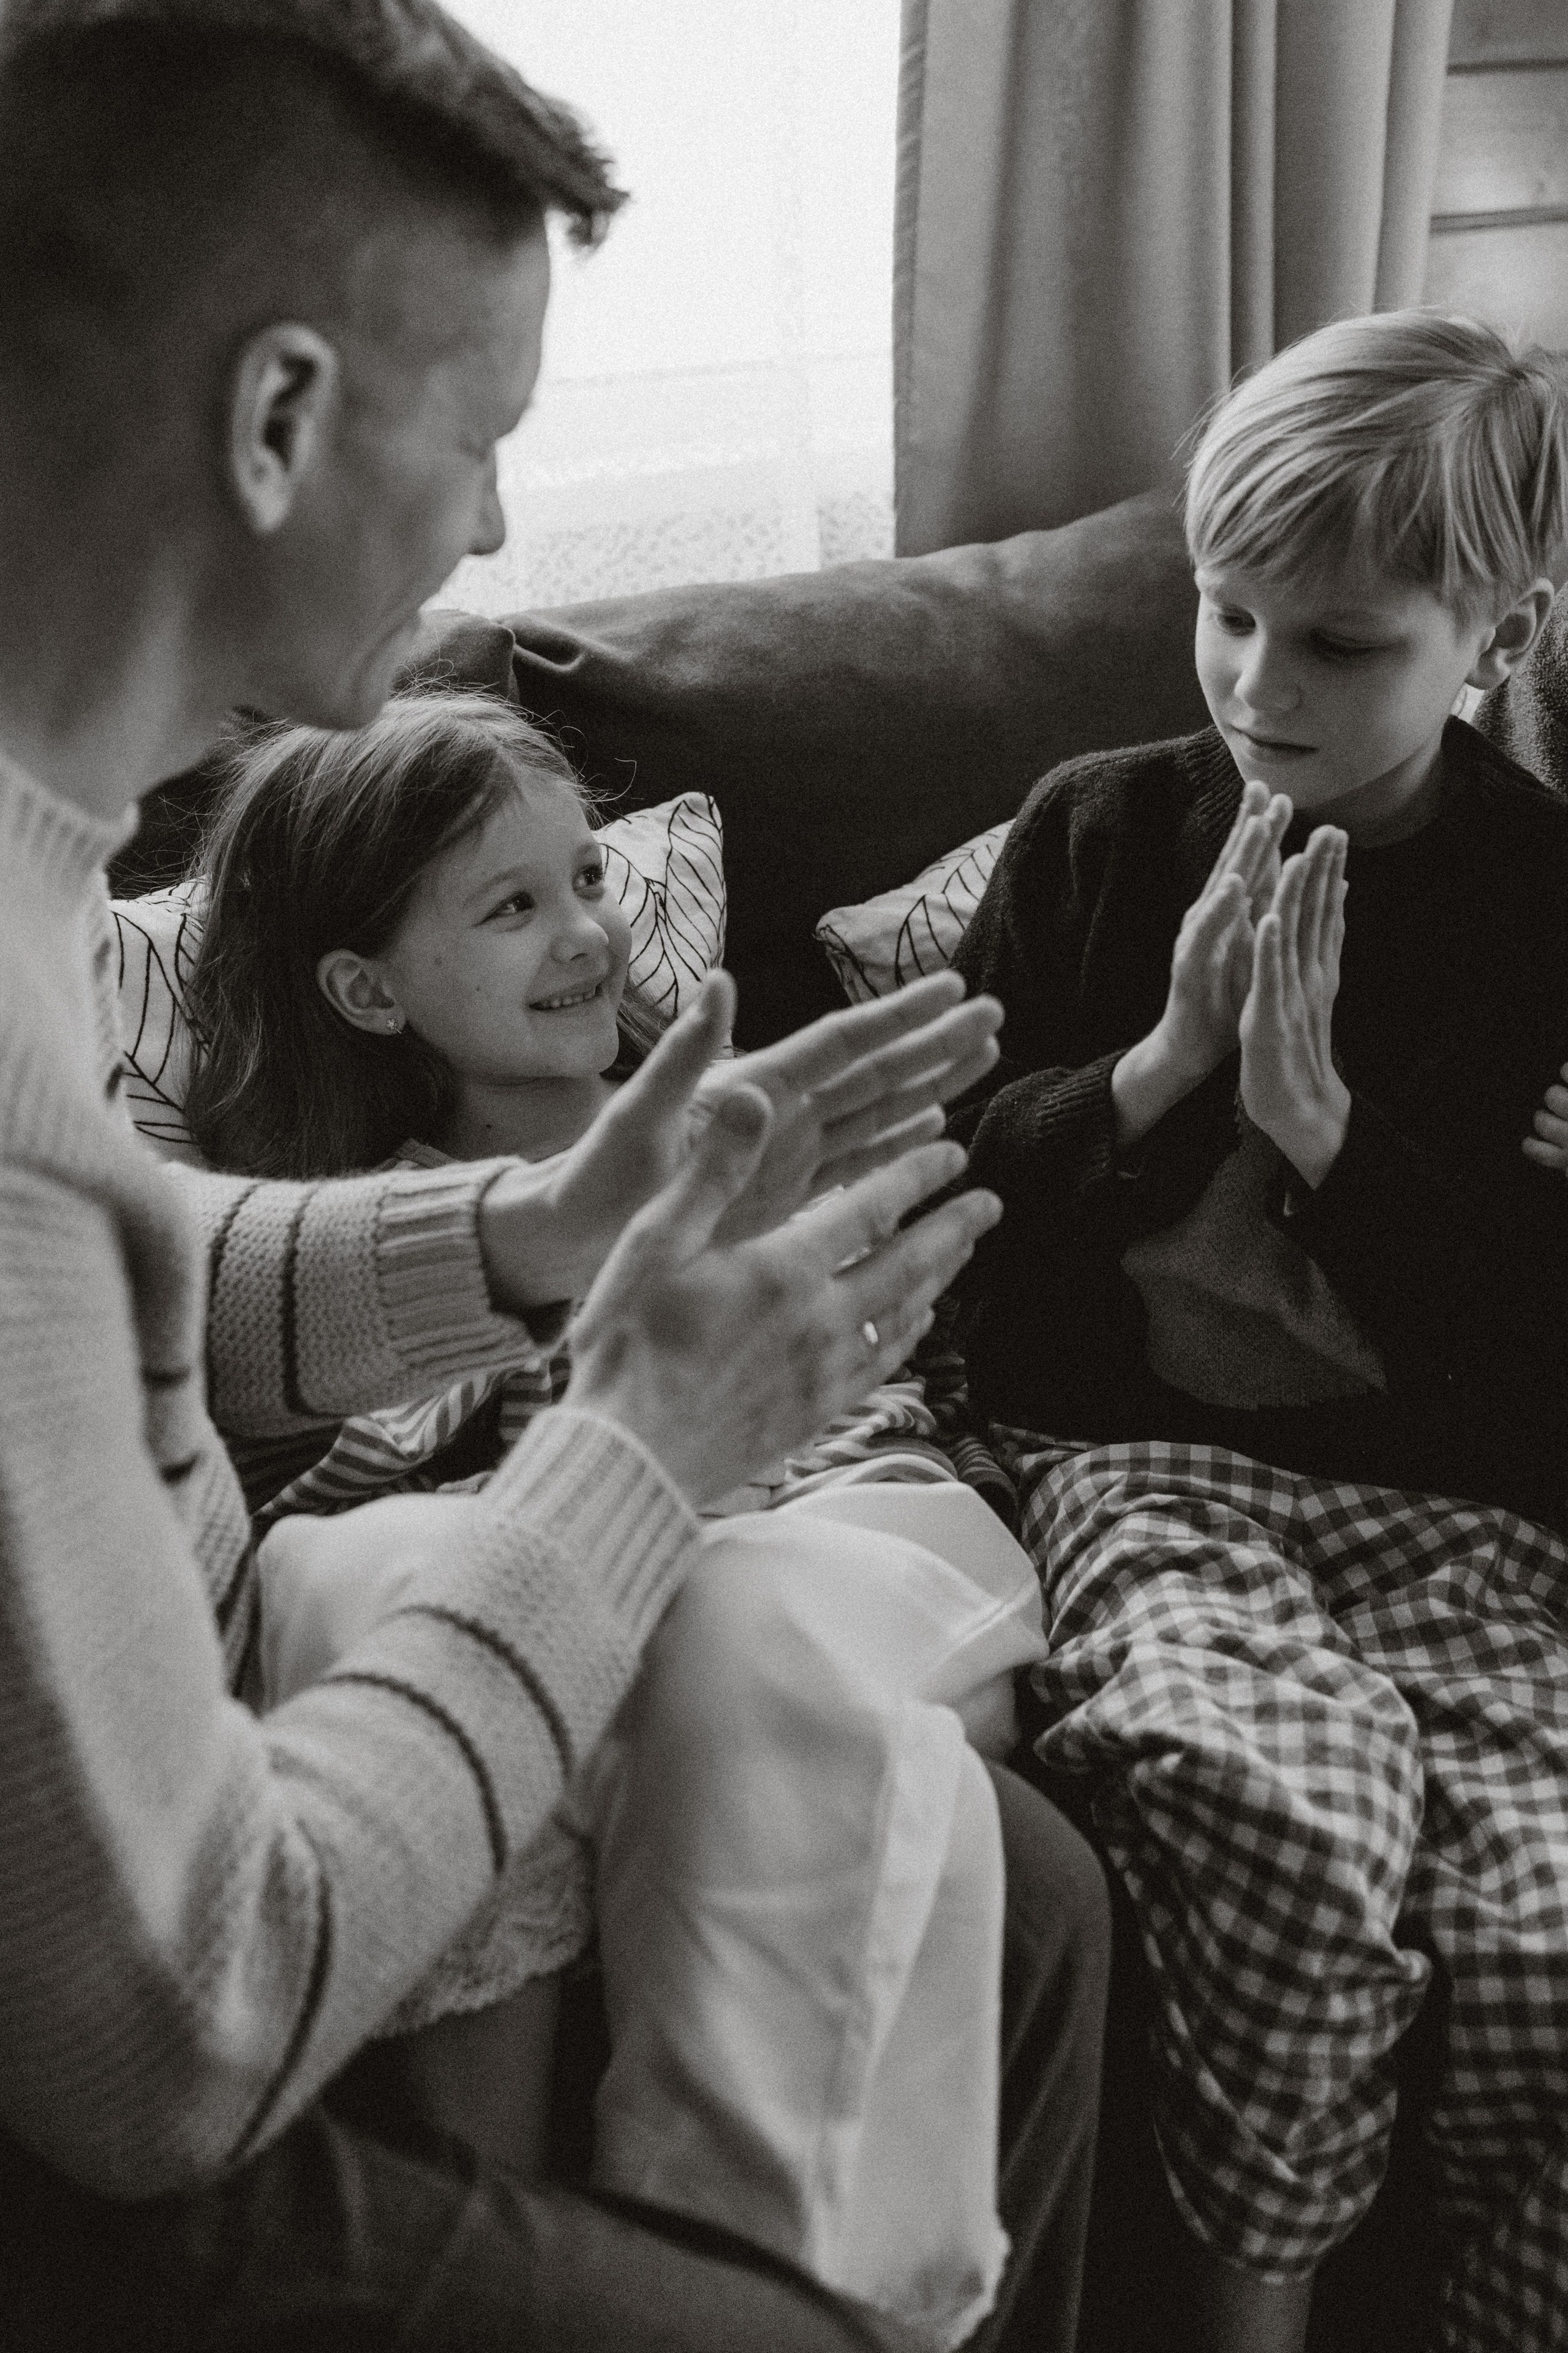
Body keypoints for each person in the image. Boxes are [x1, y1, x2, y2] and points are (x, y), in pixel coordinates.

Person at [0, 7, 1111, 2351]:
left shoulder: (34, 878)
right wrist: (637, 1452)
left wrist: (519, 1234)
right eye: (486, 433)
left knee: (1013, 1879)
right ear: (277, 416)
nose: (498, 526)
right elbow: (171, 2042)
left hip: (164, 1847)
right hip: (112, 2110)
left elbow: (92, 1268)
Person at [164, 686, 1052, 2349]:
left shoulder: (729, 1140)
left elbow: (883, 1394)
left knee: (735, 1622)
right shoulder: (344, 1252)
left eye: (587, 878)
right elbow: (354, 1490)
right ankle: (519, 2256)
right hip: (595, 1589)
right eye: (512, 906)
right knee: (350, 1569)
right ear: (365, 988)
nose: (584, 933)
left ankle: (749, 2289)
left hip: (862, 1528)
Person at [943, 311, 1568, 2353]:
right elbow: (954, 1196)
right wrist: (1156, 1069)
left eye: (1340, 644)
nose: (1256, 686)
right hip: (1141, 1470)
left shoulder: (1544, 899)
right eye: (1226, 617)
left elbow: (1529, 1322)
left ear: (1493, 631)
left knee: (1540, 1923)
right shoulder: (1100, 832)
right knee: (1275, 1819)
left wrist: (1330, 1138)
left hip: (1455, 1509)